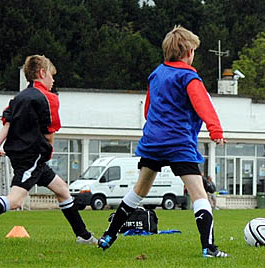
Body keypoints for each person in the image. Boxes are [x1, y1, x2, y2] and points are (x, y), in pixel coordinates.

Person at [97, 25, 229, 258]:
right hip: (178, 143)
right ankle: (209, 248)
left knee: (140, 189)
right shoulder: (189, 77)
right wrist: (215, 130)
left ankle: (109, 235)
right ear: (189, 52)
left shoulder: (156, 74)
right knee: (199, 194)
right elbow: (203, 105)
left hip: (153, 142)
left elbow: (148, 110)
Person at [0, 55, 96, 246]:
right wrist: (48, 152)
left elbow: (7, 122)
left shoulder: (18, 98)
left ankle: (84, 236)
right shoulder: (49, 99)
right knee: (15, 200)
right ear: (41, 73)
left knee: (62, 190)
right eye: (51, 76)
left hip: (23, 155)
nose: (53, 80)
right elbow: (50, 132)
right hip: (33, 156)